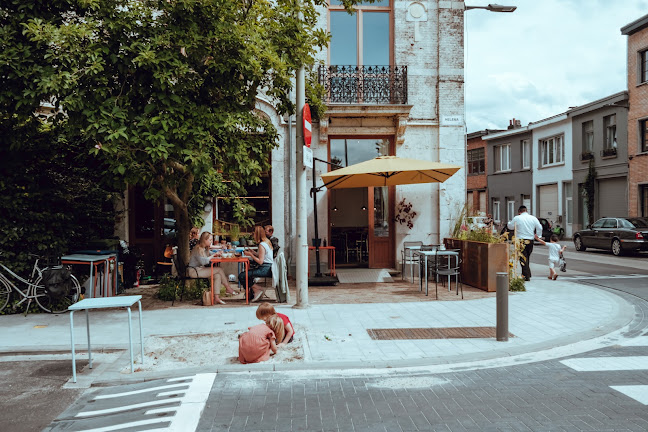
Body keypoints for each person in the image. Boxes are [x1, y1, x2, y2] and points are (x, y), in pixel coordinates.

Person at [188, 232, 239, 304]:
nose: (211, 242)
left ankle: (216, 298)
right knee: (219, 269)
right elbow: (204, 261)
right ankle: (228, 288)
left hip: (200, 269)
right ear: (204, 240)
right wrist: (214, 254)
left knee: (217, 275)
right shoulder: (198, 249)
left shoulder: (204, 248)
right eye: (210, 240)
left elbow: (208, 255)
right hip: (194, 271)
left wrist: (217, 253)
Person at [507, 205, 542, 281]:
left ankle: (526, 275)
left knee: (522, 258)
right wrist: (538, 235)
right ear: (526, 211)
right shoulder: (533, 218)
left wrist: (509, 223)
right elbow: (539, 227)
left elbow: (510, 227)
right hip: (530, 240)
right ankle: (526, 274)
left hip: (521, 240)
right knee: (527, 257)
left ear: (519, 212)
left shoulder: (517, 218)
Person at [239, 226, 274, 302]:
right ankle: (255, 291)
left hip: (264, 269)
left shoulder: (262, 245)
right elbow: (263, 256)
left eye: (254, 233)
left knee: (242, 276)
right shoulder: (267, 242)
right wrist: (254, 253)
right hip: (268, 267)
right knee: (247, 275)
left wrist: (250, 255)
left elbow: (260, 261)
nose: (253, 235)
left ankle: (258, 289)